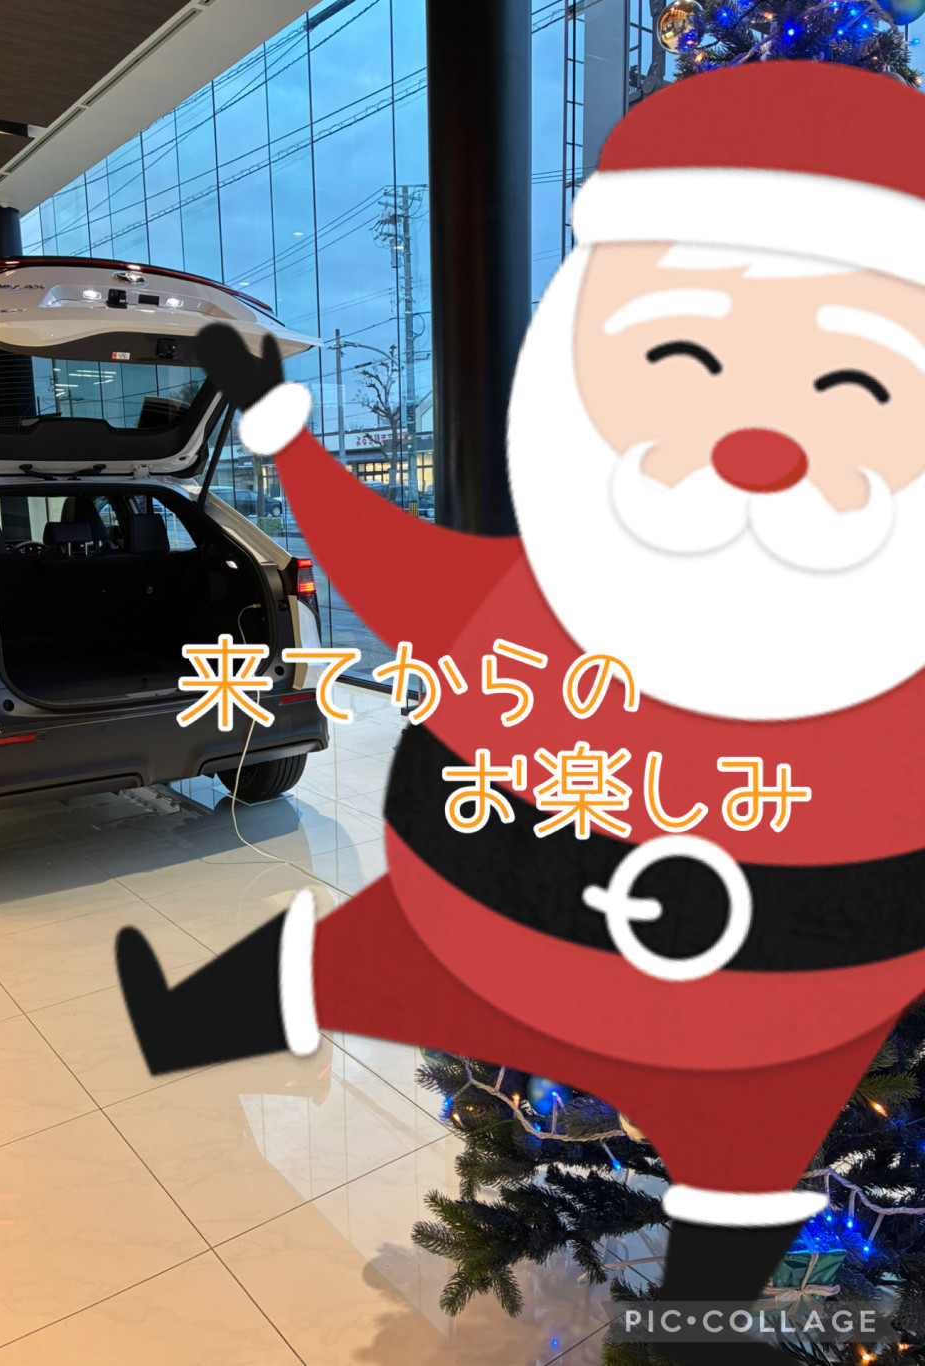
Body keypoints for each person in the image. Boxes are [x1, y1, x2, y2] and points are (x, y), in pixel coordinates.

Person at [117, 61, 925, 1360]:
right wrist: (272, 416)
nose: (757, 444)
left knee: (743, 1145)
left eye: (853, 389)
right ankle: (195, 1013)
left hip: (776, 979)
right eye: (686, 361)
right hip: (501, 921)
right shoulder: (537, 592)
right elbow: (374, 554)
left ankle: (701, 1314)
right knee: (355, 959)